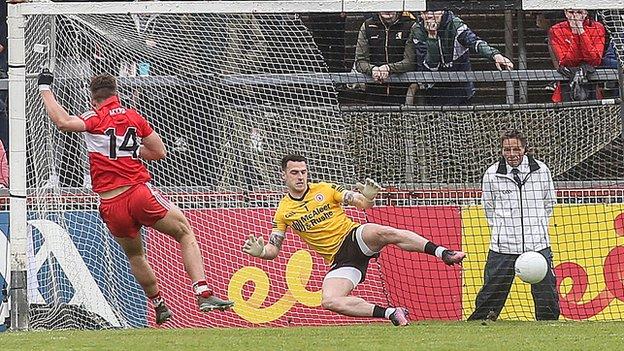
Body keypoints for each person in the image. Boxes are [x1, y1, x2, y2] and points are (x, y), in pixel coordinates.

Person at [37, 69, 233, 325]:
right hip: (138, 193)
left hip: (110, 203)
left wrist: (44, 88)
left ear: (93, 98)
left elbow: (63, 123)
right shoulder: (133, 116)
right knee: (184, 233)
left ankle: (158, 303)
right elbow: (159, 152)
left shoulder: (94, 116)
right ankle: (203, 292)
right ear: (116, 93)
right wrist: (129, 151)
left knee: (135, 255)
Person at [242, 154, 466, 326]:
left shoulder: (325, 189)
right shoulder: (283, 211)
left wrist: (367, 196)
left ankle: (443, 253)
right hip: (341, 260)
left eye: (303, 172)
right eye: (294, 173)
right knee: (329, 301)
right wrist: (261, 252)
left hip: (354, 238)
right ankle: (391, 313)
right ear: (284, 175)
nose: (300, 177)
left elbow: (361, 203)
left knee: (384, 232)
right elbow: (273, 249)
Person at [468, 130, 559, 321]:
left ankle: (550, 328)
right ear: (501, 151)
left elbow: (549, 203)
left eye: (516, 148)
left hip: (537, 244)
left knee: (547, 294)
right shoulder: (492, 174)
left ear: (525, 149)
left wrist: (537, 227)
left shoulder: (541, 171)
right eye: (507, 149)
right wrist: (503, 231)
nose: (512, 153)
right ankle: (480, 326)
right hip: (503, 246)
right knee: (490, 294)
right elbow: (489, 208)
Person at [379, 10, 514, 105]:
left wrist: (494, 55)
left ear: (443, 11)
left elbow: (474, 41)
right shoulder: (418, 31)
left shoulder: (455, 25)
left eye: (434, 11)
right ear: (421, 14)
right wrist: (432, 38)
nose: (430, 16)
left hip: (461, 92)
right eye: (426, 12)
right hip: (433, 93)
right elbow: (430, 66)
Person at [354, 11, 416, 105]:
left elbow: (410, 62)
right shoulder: (367, 25)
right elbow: (360, 62)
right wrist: (372, 69)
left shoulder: (410, 25)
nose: (388, 10)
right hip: (374, 91)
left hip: (402, 92)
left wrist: (388, 68)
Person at [548, 9, 606, 102]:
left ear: (585, 13)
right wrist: (575, 34)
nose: (575, 17)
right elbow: (568, 61)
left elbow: (594, 60)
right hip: (565, 84)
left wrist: (581, 31)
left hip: (591, 82)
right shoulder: (556, 30)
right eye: (571, 12)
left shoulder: (597, 27)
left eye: (579, 12)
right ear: (565, 13)